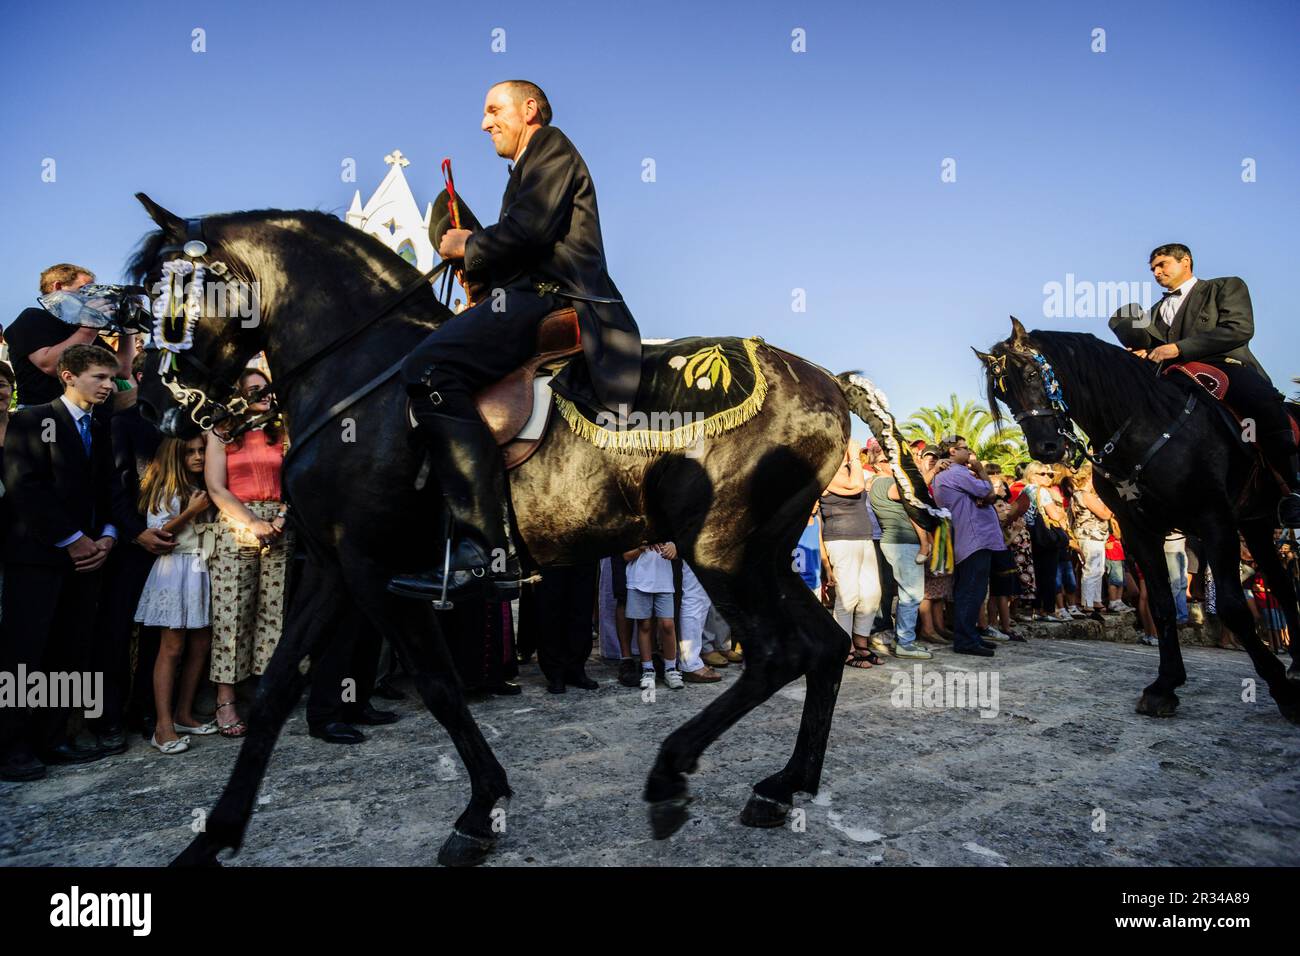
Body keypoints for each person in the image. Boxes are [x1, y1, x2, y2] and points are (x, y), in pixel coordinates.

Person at [390, 80, 642, 600]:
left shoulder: (549, 146)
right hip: (532, 292)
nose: (485, 123)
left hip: (555, 297)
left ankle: (483, 550)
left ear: (530, 109)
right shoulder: (525, 166)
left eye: (493, 110)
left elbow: (528, 233)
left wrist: (468, 243)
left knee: (426, 368)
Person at [1109, 243, 1300, 525]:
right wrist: (1138, 355)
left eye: (1162, 265)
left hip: (1226, 366)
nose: (1157, 272)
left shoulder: (1225, 286)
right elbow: (1150, 350)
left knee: (1262, 405)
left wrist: (1178, 348)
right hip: (1176, 378)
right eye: (1153, 269)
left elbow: (1239, 328)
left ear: (1185, 261)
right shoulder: (1152, 312)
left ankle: (1292, 489)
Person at [0, 345, 119, 781]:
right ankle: (11, 747)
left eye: (112, 378)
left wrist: (107, 535)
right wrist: (71, 540)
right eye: (100, 377)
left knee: (68, 651)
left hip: (88, 560)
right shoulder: (32, 420)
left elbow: (109, 485)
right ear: (68, 375)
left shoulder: (101, 425)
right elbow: (23, 485)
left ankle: (53, 738)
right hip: (36, 560)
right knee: (24, 655)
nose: (109, 386)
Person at [204, 368, 293, 739]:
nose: (265, 395)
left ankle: (265, 693)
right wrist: (253, 522)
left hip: (282, 524)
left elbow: (294, 478)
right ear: (236, 396)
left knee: (273, 610)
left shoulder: (283, 431)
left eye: (267, 389)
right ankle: (225, 701)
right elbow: (215, 486)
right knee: (232, 612)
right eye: (255, 390)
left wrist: (282, 517)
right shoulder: (220, 433)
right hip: (236, 523)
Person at [133, 436, 215, 754]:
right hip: (174, 569)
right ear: (175, 457)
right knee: (172, 646)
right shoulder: (168, 488)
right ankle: (162, 726)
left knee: (201, 642)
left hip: (200, 569)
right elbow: (162, 534)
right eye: (189, 452)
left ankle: (184, 713)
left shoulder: (204, 486)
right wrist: (192, 511)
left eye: (200, 451)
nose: (196, 457)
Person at [4, 264, 135, 409]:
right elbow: (52, 366)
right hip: (43, 418)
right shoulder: (33, 318)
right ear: (58, 287)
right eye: (86, 290)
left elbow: (122, 370)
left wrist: (128, 326)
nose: (93, 297)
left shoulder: (82, 331)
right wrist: (90, 326)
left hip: (87, 421)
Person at [931, 440, 1006, 657]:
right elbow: (987, 492)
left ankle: (970, 635)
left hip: (971, 538)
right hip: (973, 539)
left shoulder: (953, 474)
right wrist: (982, 470)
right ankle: (965, 640)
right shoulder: (956, 473)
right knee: (971, 590)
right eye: (964, 448)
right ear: (952, 451)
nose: (970, 451)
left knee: (973, 590)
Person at [820, 440, 886, 668]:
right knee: (848, 597)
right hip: (840, 539)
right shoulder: (825, 473)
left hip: (863, 537)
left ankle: (861, 643)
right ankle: (844, 647)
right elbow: (856, 485)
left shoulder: (852, 469)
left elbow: (864, 483)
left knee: (871, 594)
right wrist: (855, 456)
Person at [866, 450, 931, 659]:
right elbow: (909, 493)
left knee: (909, 594)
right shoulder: (882, 483)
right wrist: (929, 471)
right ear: (876, 465)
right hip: (901, 542)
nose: (891, 464)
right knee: (911, 595)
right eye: (886, 460)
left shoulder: (886, 482)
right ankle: (905, 643)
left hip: (901, 542)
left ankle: (903, 639)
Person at [623, 542, 681, 690]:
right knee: (644, 625)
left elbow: (678, 545)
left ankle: (671, 669)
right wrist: (641, 547)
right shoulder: (636, 526)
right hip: (638, 581)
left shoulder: (666, 526)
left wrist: (675, 547)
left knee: (668, 625)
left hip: (664, 581)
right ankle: (648, 669)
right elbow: (626, 556)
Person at [1071, 464, 1112, 620]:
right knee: (1091, 570)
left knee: (1098, 569)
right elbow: (1104, 514)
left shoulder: (1082, 494)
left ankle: (1096, 599)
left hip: (1095, 535)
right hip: (1089, 535)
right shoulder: (1084, 495)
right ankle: (1087, 602)